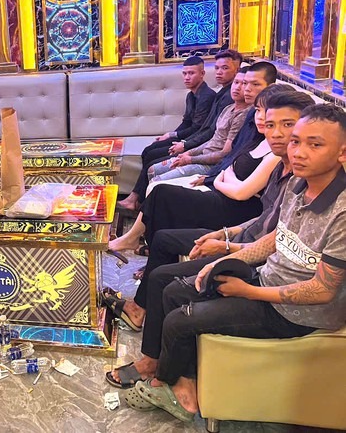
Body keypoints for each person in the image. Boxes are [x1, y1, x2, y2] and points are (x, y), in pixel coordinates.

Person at [126, 103, 346, 422]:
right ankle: (183, 384)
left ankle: (175, 394)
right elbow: (275, 237)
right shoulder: (299, 184)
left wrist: (248, 291)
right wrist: (223, 261)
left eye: (315, 145)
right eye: (297, 141)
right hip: (266, 279)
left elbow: (322, 290)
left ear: (342, 153)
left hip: (296, 314)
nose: (298, 151)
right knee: (173, 290)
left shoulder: (341, 213)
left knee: (179, 321)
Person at [103, 90, 314, 338]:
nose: (276, 132)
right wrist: (225, 231)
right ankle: (142, 297)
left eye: (287, 125)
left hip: (241, 226)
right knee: (163, 228)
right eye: (267, 120)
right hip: (239, 222)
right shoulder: (268, 150)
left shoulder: (294, 173)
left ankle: (145, 314)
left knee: (163, 200)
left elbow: (256, 213)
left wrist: (226, 244)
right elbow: (229, 163)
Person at [108, 85, 295, 257]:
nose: (260, 117)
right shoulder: (255, 136)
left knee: (161, 192)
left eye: (266, 112)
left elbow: (240, 190)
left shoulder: (276, 152)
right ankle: (145, 242)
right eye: (258, 110)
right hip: (221, 189)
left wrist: (216, 179)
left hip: (234, 206)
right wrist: (215, 176)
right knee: (158, 185)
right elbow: (229, 163)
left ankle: (138, 240)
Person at [118, 56, 216, 210]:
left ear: (202, 74)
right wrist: (170, 135)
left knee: (152, 156)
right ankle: (137, 198)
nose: (187, 77)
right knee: (149, 150)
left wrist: (181, 143)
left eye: (191, 73)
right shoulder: (191, 95)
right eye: (184, 73)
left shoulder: (207, 96)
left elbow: (198, 129)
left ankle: (137, 199)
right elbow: (186, 122)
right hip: (187, 137)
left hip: (195, 141)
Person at [147, 67, 250, 188]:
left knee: (156, 182)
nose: (237, 87)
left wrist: (190, 158)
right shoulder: (228, 108)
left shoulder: (243, 115)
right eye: (236, 82)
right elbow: (213, 140)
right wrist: (189, 152)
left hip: (211, 165)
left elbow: (224, 154)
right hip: (201, 154)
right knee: (152, 170)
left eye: (243, 84)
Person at [166, 50, 242, 157]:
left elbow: (211, 131)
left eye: (225, 68)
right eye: (217, 68)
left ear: (237, 71)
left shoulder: (229, 97)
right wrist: (181, 141)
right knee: (152, 152)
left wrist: (185, 144)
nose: (219, 72)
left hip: (210, 148)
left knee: (153, 156)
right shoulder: (221, 93)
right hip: (199, 142)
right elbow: (201, 127)